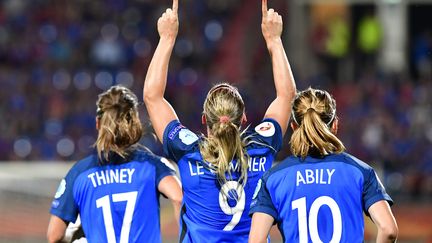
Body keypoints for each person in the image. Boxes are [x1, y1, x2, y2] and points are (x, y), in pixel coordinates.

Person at [143, 0, 296, 242]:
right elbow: (287, 96)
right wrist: (274, 41)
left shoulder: (188, 151)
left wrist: (167, 38)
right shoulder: (260, 147)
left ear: (205, 119)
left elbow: (152, 97)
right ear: (244, 118)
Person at [249, 87, 398, 243]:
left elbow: (256, 240)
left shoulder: (273, 178)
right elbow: (389, 230)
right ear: (334, 125)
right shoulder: (361, 172)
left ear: (293, 127)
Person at [47, 85, 182, 243]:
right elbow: (178, 197)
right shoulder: (153, 165)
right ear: (134, 123)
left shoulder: (79, 173)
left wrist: (72, 238)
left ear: (98, 123)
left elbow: (54, 236)